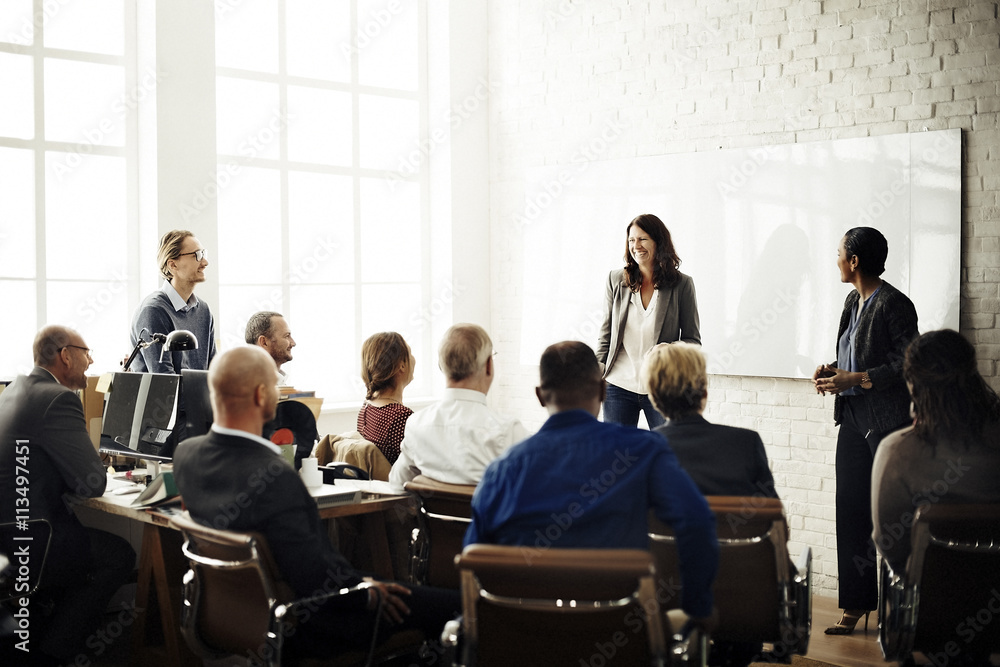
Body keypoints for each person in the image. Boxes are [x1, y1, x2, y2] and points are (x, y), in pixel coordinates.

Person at [172, 346, 458, 660]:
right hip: (313, 619)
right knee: (460, 607)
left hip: (233, 616)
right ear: (259, 395)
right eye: (275, 384)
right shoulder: (275, 475)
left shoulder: (187, 456)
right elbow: (315, 579)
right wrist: (364, 587)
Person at [465, 341, 718, 627]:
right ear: (603, 391)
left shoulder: (501, 471)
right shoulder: (644, 451)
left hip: (522, 639)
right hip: (620, 638)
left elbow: (475, 562)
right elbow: (696, 521)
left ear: (540, 396)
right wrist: (697, 607)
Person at [0, 326, 135, 664]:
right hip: (36, 538)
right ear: (65, 355)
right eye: (87, 352)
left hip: (7, 533)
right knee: (118, 555)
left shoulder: (12, 390)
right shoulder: (58, 398)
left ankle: (44, 637)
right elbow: (93, 484)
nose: (91, 361)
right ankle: (54, 654)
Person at [811, 227, 918, 636]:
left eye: (839, 252)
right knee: (850, 510)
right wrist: (832, 373)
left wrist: (858, 376)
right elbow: (851, 357)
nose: (836, 259)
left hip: (888, 424)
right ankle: (856, 604)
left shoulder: (894, 303)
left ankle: (902, 611)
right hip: (853, 419)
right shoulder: (851, 301)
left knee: (892, 517)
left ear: (854, 261)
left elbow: (910, 363)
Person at [873, 330, 1000, 573]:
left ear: (912, 385)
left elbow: (888, 544)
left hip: (927, 604)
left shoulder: (897, 450)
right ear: (973, 372)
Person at [388, 324, 529, 493]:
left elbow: (397, 485)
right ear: (488, 365)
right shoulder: (509, 431)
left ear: (441, 366)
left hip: (433, 520)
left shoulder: (416, 425)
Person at [597, 213, 701, 429]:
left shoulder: (682, 284)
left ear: (658, 241)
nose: (636, 246)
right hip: (618, 384)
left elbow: (693, 341)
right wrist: (597, 366)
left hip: (662, 386)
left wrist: (668, 348)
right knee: (617, 453)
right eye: (631, 240)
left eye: (643, 239)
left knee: (667, 451)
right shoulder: (615, 280)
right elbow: (606, 333)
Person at [645, 342, 778, 499]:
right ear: (704, 393)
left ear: (653, 398)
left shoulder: (641, 452)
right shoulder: (746, 444)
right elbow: (773, 518)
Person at [128, 229, 217, 373]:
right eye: (197, 255)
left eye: (203, 254)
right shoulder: (153, 310)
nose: (205, 262)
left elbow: (213, 369)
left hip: (198, 395)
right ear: (173, 265)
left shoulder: (203, 310)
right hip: (165, 395)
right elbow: (163, 378)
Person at [357, 332, 415, 465]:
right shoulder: (401, 416)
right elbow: (417, 467)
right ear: (401, 365)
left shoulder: (366, 408)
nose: (414, 359)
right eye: (410, 353)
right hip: (397, 485)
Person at [245, 311, 296, 384]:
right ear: (264, 342)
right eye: (287, 336)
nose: (293, 343)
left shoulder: (278, 381)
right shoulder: (247, 387)